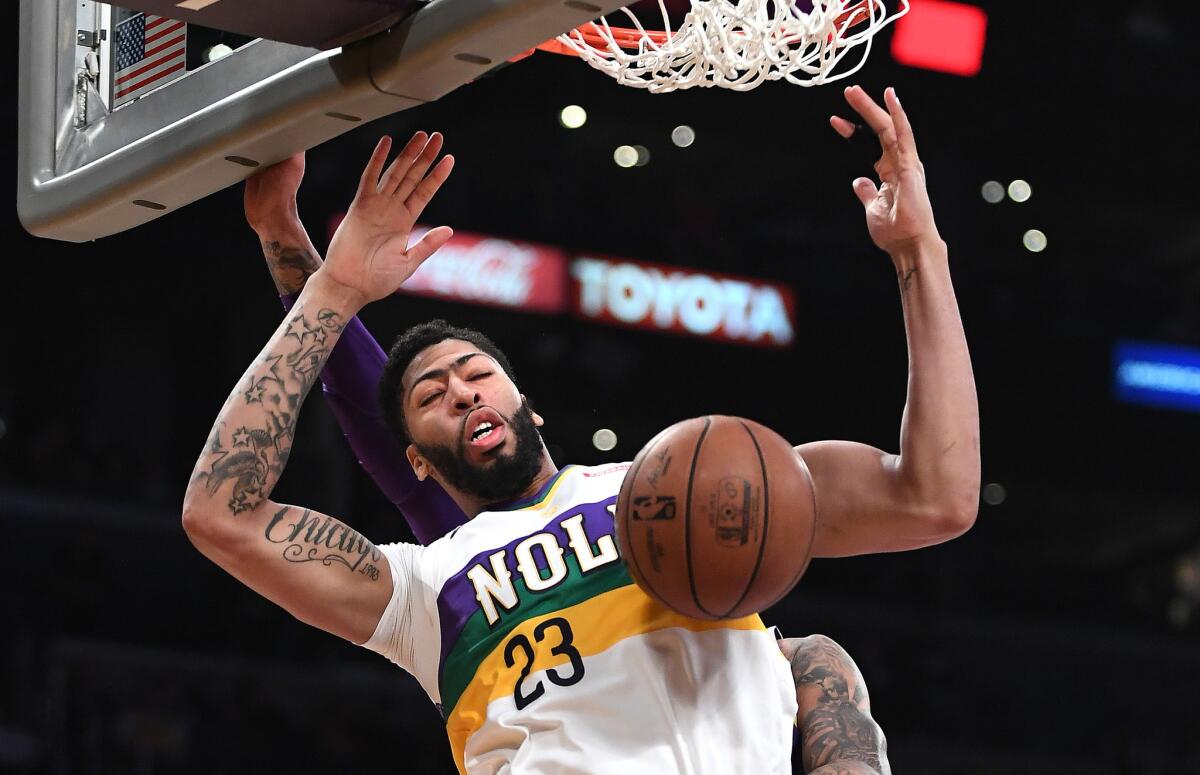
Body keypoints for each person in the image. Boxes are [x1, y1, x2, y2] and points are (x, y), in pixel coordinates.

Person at [184, 85, 975, 773]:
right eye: (432, 393)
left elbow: (933, 497)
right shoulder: (426, 588)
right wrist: (332, 282)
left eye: (476, 371)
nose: (460, 389)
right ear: (414, 460)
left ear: (530, 405)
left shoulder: (673, 485)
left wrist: (919, 252)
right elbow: (222, 513)